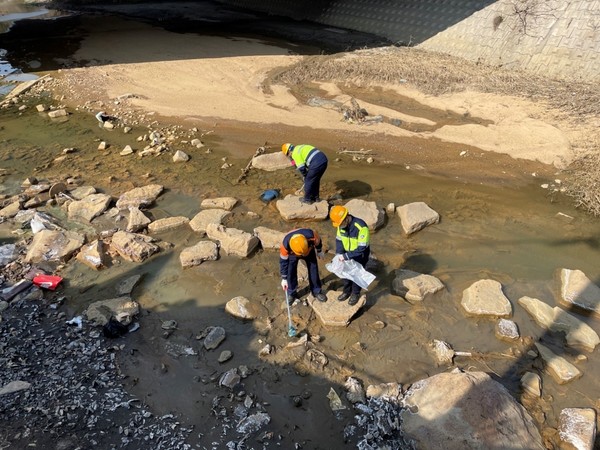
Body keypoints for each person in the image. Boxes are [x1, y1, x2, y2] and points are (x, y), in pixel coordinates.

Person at [329, 205, 370, 306]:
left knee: (357, 275)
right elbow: (339, 240)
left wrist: (346, 256)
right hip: (346, 254)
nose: (339, 226)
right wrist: (339, 254)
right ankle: (346, 291)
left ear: (347, 217)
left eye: (341, 223)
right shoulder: (340, 226)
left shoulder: (361, 227)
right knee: (345, 273)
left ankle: (355, 293)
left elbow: (361, 248)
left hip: (360, 255)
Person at [280, 228, 327, 304]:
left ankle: (316, 290)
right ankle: (291, 293)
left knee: (313, 268)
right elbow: (283, 262)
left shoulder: (312, 235)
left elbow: (318, 242)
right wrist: (284, 278)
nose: (303, 255)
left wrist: (319, 250)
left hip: (309, 250)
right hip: (293, 255)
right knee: (290, 271)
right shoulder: (285, 245)